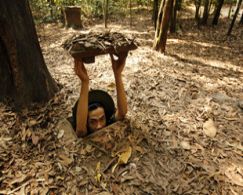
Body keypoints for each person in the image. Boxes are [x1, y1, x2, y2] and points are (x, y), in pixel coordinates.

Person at [71, 52, 128, 137]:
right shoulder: (85, 132)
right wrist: (85, 82)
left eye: (102, 119)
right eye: (93, 122)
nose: (99, 126)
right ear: (86, 122)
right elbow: (80, 130)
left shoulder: (108, 123)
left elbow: (122, 113)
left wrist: (117, 74)